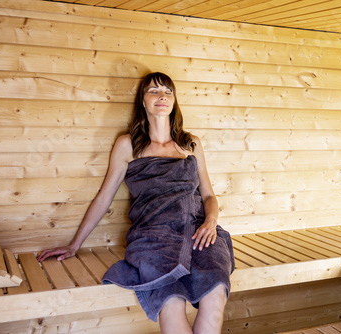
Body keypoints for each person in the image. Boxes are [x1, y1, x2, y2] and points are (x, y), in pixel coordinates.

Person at [38, 72, 235, 334]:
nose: (162, 96)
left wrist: (211, 222)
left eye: (167, 91)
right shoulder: (128, 145)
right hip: (153, 236)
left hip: (199, 231)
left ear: (174, 101)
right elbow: (104, 197)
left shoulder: (190, 144)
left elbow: (209, 196)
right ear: (142, 102)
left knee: (215, 292)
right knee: (170, 299)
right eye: (153, 91)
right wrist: (75, 244)